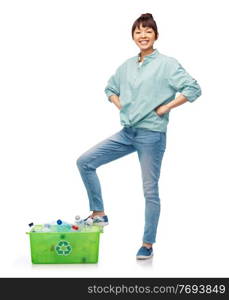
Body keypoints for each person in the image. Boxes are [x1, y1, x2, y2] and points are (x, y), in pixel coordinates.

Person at [76, 13, 202, 259]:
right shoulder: (126, 66)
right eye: (138, 32)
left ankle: (147, 244)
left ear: (156, 35)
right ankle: (98, 213)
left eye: (148, 31)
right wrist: (119, 104)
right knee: (85, 162)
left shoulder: (167, 64)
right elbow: (110, 88)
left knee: (149, 190)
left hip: (152, 135)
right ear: (133, 36)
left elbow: (194, 88)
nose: (143, 36)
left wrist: (166, 108)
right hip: (127, 133)